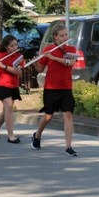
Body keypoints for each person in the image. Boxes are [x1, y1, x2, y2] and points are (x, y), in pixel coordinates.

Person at [31, 22, 78, 156]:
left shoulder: (71, 50)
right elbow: (41, 68)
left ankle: (68, 146)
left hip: (66, 87)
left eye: (66, 35)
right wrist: (35, 63)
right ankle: (37, 135)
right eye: (62, 36)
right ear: (55, 37)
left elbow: (71, 63)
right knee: (48, 116)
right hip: (51, 87)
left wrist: (54, 58)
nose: (64, 38)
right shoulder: (48, 49)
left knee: (68, 115)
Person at [0, 34, 24, 144]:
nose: (15, 47)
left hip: (13, 85)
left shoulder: (19, 57)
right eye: (12, 46)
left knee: (6, 109)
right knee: (8, 107)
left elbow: (19, 72)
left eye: (16, 45)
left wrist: (4, 66)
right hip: (1, 84)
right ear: (6, 47)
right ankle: (11, 135)